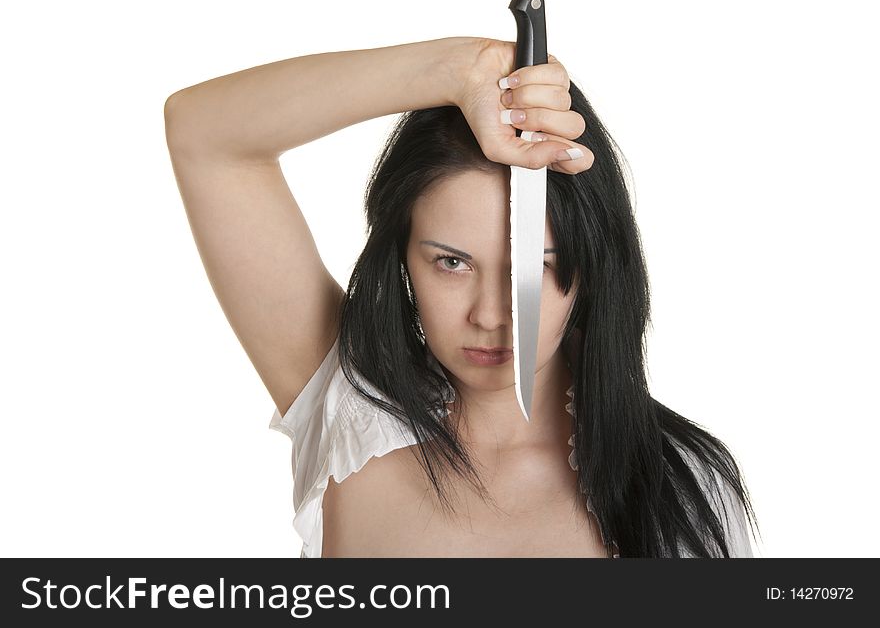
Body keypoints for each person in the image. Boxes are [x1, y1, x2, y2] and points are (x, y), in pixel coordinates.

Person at [164, 36, 759, 558]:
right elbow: (204, 133)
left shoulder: (683, 489)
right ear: (402, 258)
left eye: (534, 267)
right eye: (452, 263)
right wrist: (460, 69)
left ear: (592, 266)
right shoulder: (348, 412)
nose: (493, 316)